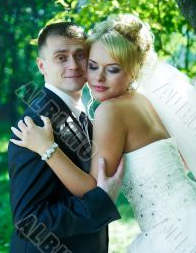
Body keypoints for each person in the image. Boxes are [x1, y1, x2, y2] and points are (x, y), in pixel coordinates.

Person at [10, 14, 196, 252]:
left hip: (173, 234)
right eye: (94, 66)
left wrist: (48, 149)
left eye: (113, 69)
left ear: (132, 71)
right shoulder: (147, 102)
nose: (98, 77)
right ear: (42, 65)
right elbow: (180, 162)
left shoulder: (111, 111)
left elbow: (91, 187)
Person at [8, 22, 124, 253]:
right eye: (61, 57)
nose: (73, 65)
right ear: (42, 65)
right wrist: (98, 203)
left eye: (80, 55)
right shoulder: (38, 124)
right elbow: (28, 221)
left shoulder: (88, 114)